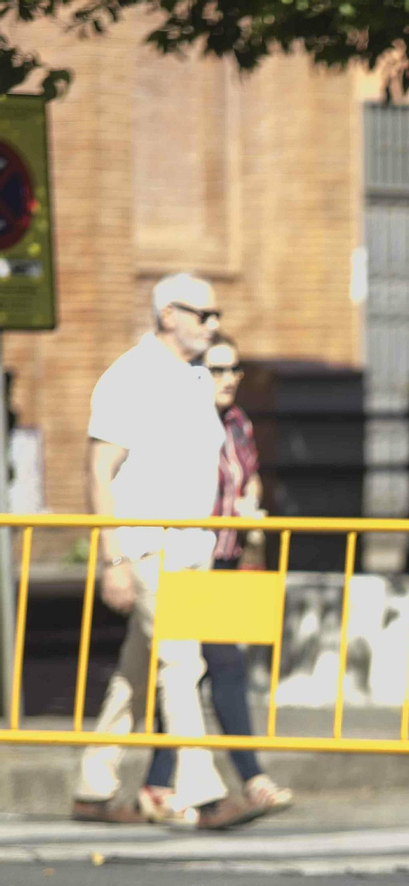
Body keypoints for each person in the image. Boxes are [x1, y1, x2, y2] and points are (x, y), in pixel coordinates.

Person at [69, 273, 255, 831]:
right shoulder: (130, 377)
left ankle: (93, 786)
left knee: (136, 670)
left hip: (192, 547)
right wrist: (113, 560)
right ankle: (203, 792)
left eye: (216, 314)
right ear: (168, 314)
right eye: (204, 314)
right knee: (180, 661)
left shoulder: (196, 379)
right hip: (148, 546)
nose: (214, 325)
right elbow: (99, 473)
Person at [141, 335, 293, 826]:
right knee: (210, 664)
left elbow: (248, 478)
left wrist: (253, 518)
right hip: (188, 558)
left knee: (193, 671)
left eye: (234, 371)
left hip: (226, 558)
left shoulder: (239, 424)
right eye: (217, 369)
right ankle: (246, 778)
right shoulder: (185, 425)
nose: (228, 380)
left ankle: (158, 784)